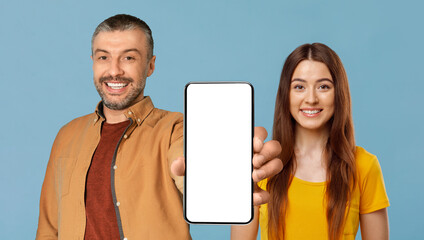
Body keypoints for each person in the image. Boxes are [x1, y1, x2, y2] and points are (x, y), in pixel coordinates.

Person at [36, 14, 283, 240]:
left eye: (129, 58)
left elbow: (186, 163)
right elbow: (48, 229)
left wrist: (226, 170)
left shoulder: (177, 129)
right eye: (103, 57)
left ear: (150, 65)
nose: (114, 70)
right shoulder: (67, 135)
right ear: (93, 62)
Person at [231, 43, 390, 240]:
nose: (311, 99)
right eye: (299, 87)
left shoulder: (364, 165)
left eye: (324, 86)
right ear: (285, 94)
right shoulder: (261, 165)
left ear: (339, 93)